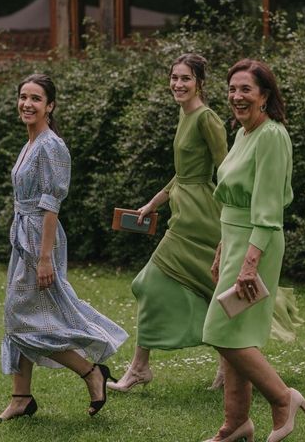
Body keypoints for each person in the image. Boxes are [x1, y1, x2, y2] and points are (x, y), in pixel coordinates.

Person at [0, 74, 128, 422]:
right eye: (23, 96)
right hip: (23, 235)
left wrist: (45, 257)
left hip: (40, 237)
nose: (27, 104)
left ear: (50, 105)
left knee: (22, 318)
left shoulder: (52, 145)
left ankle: (89, 372)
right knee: (19, 316)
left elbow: (52, 203)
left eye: (36, 98)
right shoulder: (30, 141)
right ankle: (21, 396)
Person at [202, 59, 305, 442]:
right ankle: (236, 423)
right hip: (235, 240)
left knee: (220, 330)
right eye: (232, 89)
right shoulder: (243, 134)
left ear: (265, 95)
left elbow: (267, 210)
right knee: (235, 334)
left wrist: (250, 263)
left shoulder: (271, 136)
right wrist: (222, 247)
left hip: (257, 245)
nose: (236, 96)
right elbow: (234, 202)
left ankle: (283, 398)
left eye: (245, 89)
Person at [108, 54, 228, 392]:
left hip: (201, 216)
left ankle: (138, 369)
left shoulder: (207, 118)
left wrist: (234, 219)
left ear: (200, 83)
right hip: (182, 210)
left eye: (185, 78)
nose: (178, 84)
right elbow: (183, 174)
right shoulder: (184, 113)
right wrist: (152, 203)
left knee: (148, 282)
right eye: (174, 77)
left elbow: (227, 169)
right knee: (209, 288)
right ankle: (225, 366)